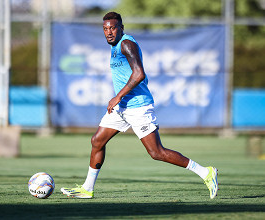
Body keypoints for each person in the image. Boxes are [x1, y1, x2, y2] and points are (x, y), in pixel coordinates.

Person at [61, 12, 218, 199]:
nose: (109, 32)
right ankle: (87, 188)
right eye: (105, 29)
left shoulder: (126, 44)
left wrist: (117, 96)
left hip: (138, 107)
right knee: (97, 141)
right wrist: (120, 100)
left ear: (121, 28)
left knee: (156, 152)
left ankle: (205, 172)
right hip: (122, 107)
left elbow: (139, 74)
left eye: (112, 28)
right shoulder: (115, 46)